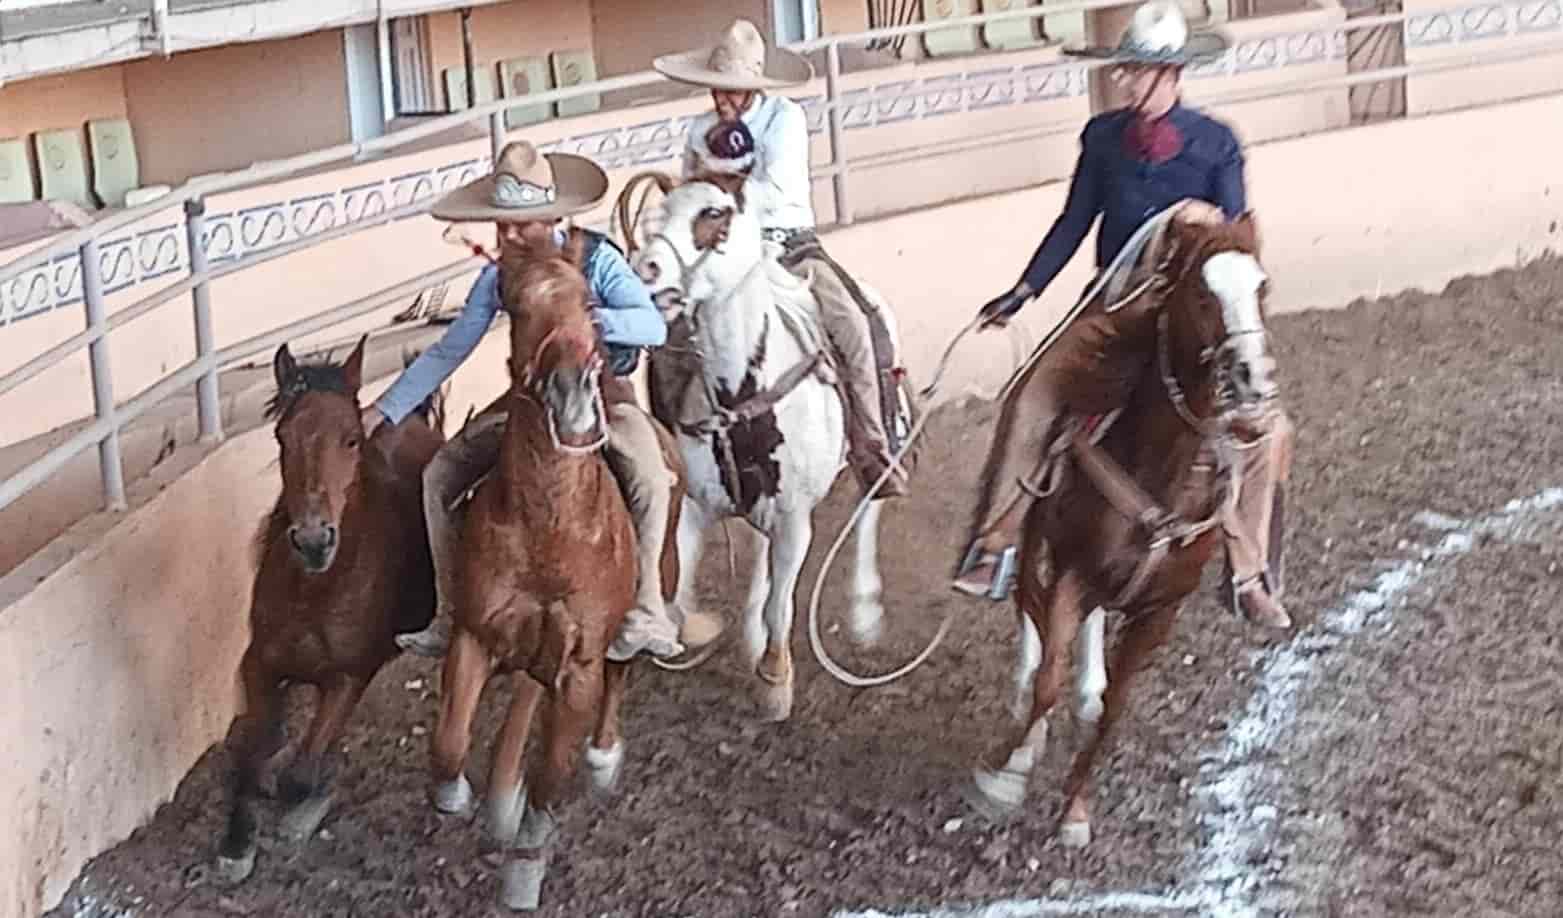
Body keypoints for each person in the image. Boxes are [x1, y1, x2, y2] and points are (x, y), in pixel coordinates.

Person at [950, 0, 1294, 629]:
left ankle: (1247, 572)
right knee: (1031, 395)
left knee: (1265, 427)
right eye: (1127, 70)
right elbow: (1075, 221)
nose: (1128, 81)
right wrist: (1025, 288)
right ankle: (994, 542)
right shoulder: (1102, 138)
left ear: (1173, 75)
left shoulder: (1216, 145)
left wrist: (1204, 227)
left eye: (1140, 71)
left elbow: (1235, 237)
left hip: (1188, 313)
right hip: (1115, 306)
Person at [366, 140, 688, 662]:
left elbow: (651, 322)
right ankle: (450, 611)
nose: (510, 235)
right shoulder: (498, 277)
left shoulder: (596, 257)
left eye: (523, 224)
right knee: (439, 474)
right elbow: (452, 348)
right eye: (502, 225)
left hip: (603, 392)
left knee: (651, 475)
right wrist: (385, 410)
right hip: (527, 403)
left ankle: (647, 603)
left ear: (553, 217)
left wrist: (586, 322)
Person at [652, 19, 913, 498]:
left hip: (788, 245)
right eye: (717, 89)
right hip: (718, 252)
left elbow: (774, 189)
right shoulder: (698, 129)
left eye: (733, 91)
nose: (723, 99)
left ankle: (871, 444)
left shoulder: (785, 119)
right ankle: (670, 447)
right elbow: (687, 191)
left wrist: (720, 194)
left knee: (854, 321)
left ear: (754, 87)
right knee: (664, 333)